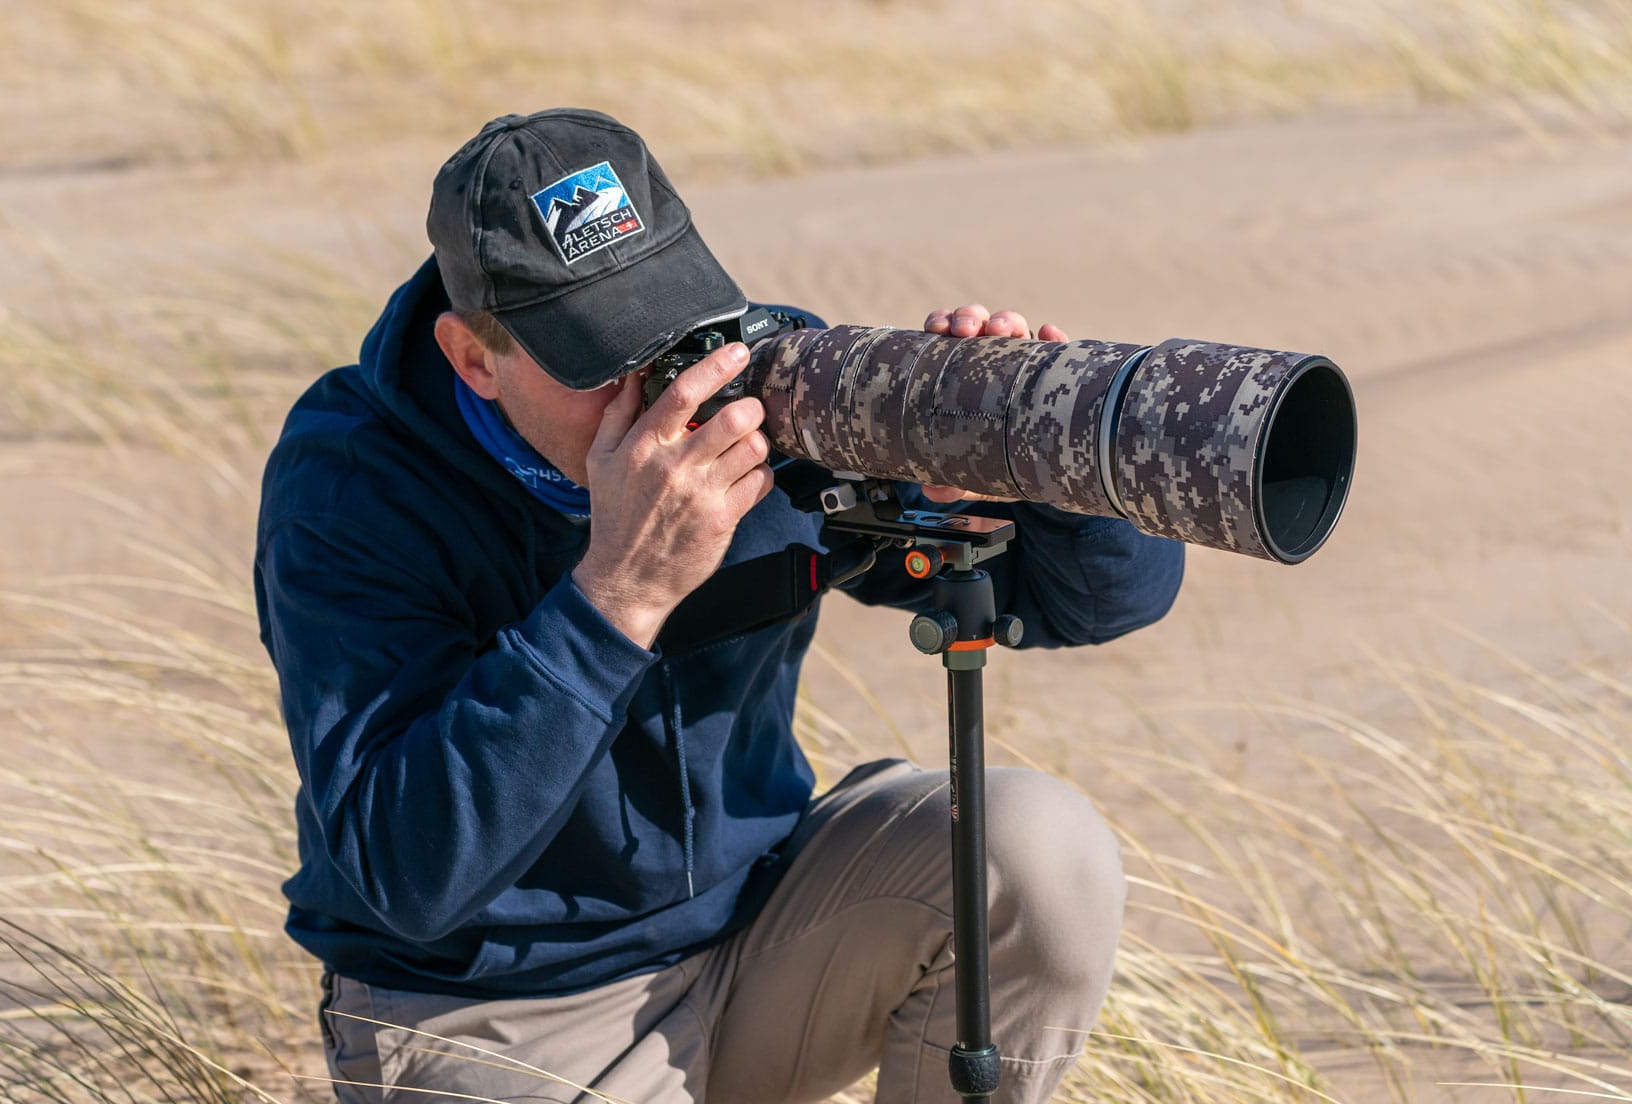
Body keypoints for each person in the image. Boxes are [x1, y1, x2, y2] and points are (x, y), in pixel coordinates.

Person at [254, 108, 1184, 1104]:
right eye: (595, 352)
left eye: (669, 318)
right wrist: (619, 591)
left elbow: (1091, 603)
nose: (659, 384)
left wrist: (1026, 462)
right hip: (492, 1021)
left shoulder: (759, 385)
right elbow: (410, 876)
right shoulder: (355, 485)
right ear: (474, 357)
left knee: (1042, 851)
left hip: (757, 942)